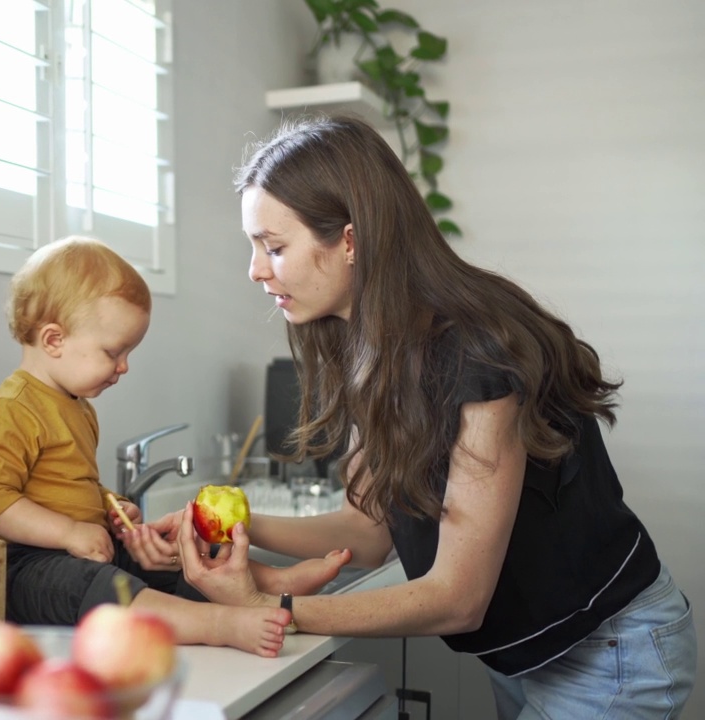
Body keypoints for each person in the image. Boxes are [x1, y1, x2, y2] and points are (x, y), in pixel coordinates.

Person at [124, 115, 697, 717]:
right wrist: (226, 523)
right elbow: (366, 532)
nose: (255, 270)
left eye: (274, 247)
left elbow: (458, 598)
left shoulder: (475, 352)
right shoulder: (370, 347)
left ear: (350, 240)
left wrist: (273, 608)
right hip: (528, 654)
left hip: (609, 652)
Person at [0, 235, 350, 658]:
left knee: (164, 559)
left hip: (66, 553)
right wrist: (69, 531)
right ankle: (218, 624)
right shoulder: (10, 410)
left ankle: (272, 582)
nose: (124, 366)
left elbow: (68, 484)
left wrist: (111, 506)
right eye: (114, 352)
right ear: (54, 340)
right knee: (103, 586)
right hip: (17, 567)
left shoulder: (75, 406)